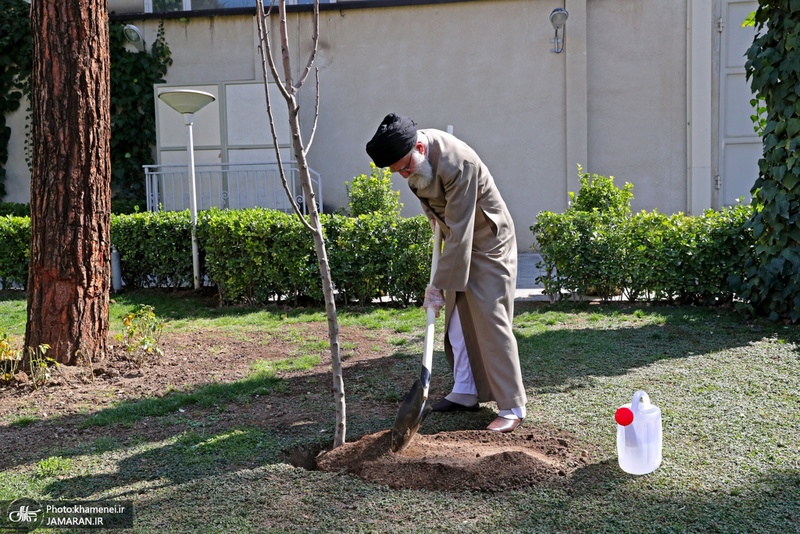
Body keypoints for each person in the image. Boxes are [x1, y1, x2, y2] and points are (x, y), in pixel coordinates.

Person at [365, 113, 527, 433]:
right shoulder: (415, 159)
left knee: (490, 318)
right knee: (455, 320)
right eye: (397, 172)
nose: (404, 175)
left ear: (419, 147)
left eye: (405, 168)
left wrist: (437, 286)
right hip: (457, 238)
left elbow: (461, 230)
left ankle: (513, 406)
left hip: (488, 242)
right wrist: (433, 219)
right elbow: (438, 209)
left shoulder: (458, 164)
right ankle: (465, 391)